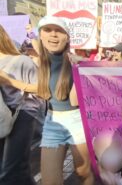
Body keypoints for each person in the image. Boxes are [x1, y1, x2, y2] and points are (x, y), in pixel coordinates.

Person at [36, 16, 94, 185]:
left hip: (78, 121)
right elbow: (40, 90)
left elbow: (77, 99)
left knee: (83, 173)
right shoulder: (37, 61)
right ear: (40, 35)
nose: (53, 35)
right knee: (49, 182)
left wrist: (81, 67)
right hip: (52, 123)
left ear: (67, 37)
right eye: (48, 30)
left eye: (59, 31)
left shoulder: (76, 61)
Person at [0, 25, 44, 185]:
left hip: (23, 114)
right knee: (17, 171)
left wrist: (9, 81)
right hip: (1, 117)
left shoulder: (21, 61)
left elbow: (43, 89)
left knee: (11, 171)